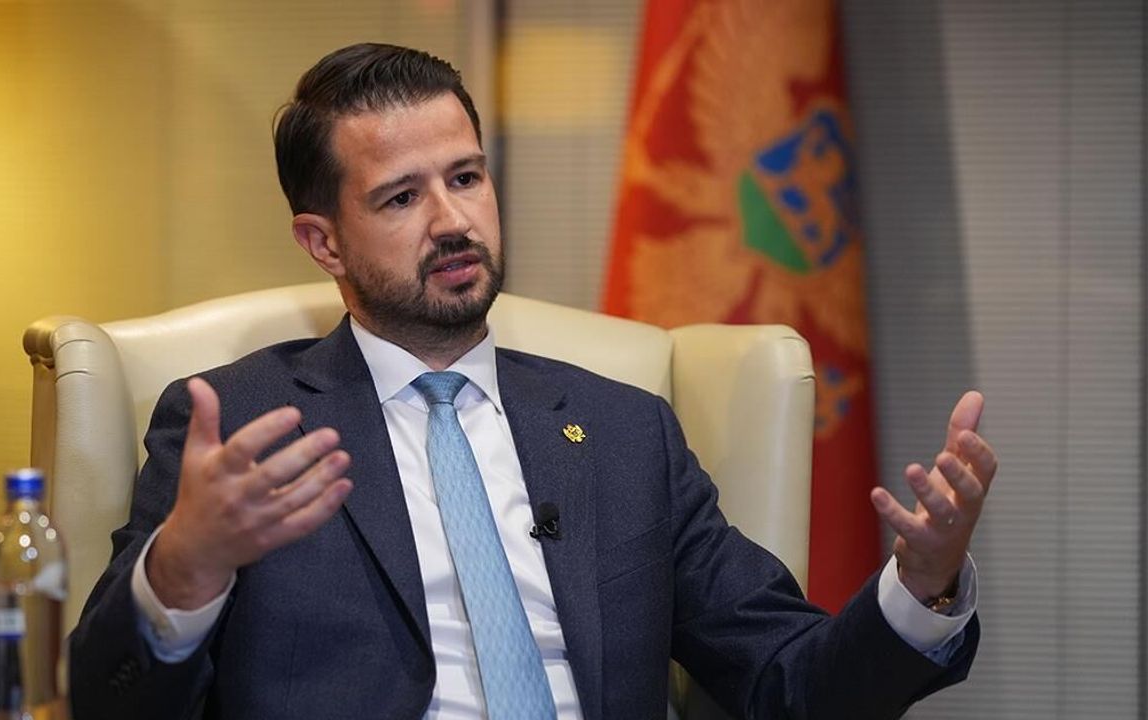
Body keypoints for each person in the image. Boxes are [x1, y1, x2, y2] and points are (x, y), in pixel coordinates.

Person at [68, 43, 998, 720]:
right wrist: (185, 568)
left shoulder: (627, 433)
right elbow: (108, 701)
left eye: (467, 178)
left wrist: (921, 586)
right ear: (324, 242)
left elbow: (792, 683)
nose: (452, 220)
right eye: (401, 197)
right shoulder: (238, 426)